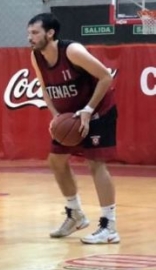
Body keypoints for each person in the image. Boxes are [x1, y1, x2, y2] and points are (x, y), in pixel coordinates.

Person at [27, 13, 119, 244]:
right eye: (29, 33)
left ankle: (109, 227)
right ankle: (75, 213)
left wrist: (88, 109)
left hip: (98, 110)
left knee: (96, 163)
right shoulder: (36, 56)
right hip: (70, 117)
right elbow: (44, 87)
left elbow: (106, 77)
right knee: (56, 160)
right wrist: (56, 116)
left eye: (35, 32)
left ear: (50, 33)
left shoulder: (72, 51)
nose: (30, 37)